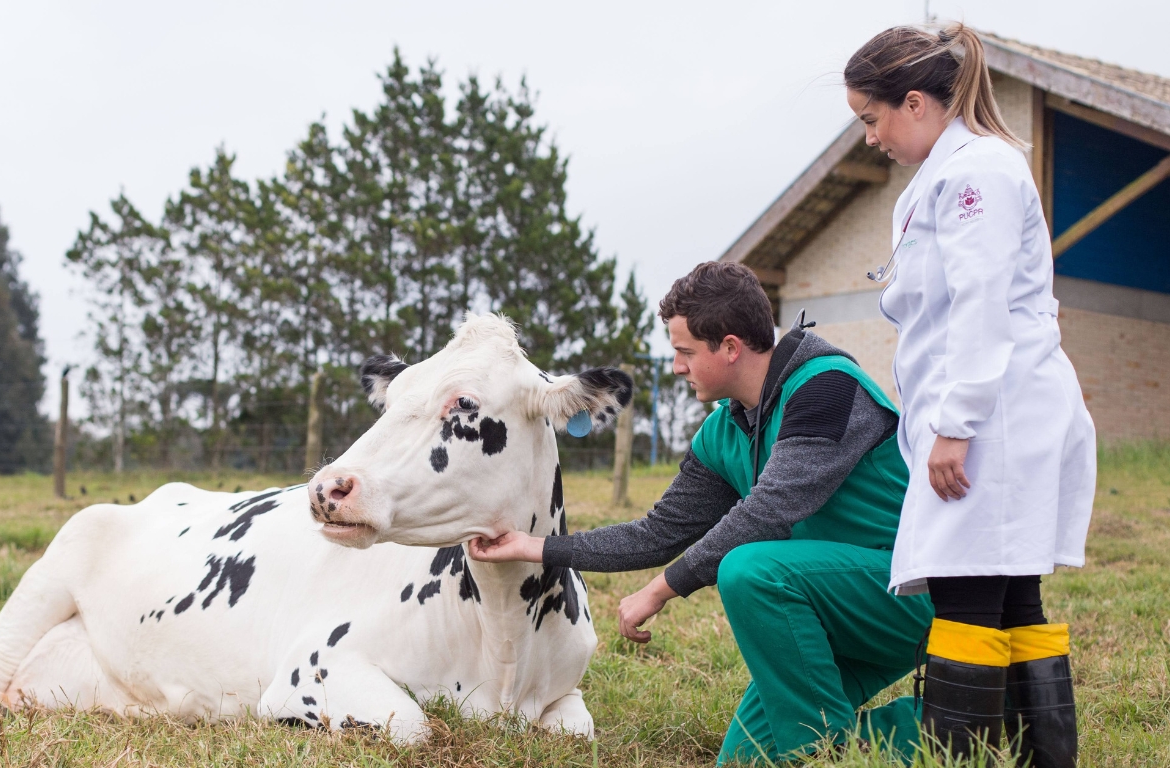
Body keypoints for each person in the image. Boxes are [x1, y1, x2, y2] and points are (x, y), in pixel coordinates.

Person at [470, 261, 934, 764]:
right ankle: (948, 729)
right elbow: (657, 534)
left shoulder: (827, 387)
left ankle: (830, 755)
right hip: (825, 606)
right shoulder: (724, 431)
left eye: (684, 351)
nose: (676, 366)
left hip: (904, 593)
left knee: (751, 571)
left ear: (730, 347)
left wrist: (661, 588)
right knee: (743, 760)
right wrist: (534, 547)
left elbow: (771, 511)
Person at [844, 23, 1096, 767]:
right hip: (993, 417)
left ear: (915, 102)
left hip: (995, 423)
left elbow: (981, 303)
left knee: (968, 598)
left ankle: (961, 761)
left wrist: (955, 426)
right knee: (1012, 599)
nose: (869, 139)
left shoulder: (977, 173)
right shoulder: (951, 177)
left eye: (871, 118)